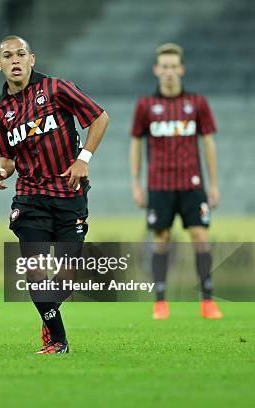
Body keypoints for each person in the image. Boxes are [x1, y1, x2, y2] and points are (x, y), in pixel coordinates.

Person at [0, 35, 108, 354]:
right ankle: (58, 340)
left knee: (65, 283)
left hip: (70, 194)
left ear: (32, 59)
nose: (15, 60)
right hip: (30, 198)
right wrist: (2, 172)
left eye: (20, 54)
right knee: (35, 271)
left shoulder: (56, 89)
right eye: (8, 56)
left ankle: (49, 316)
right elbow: (8, 158)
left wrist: (83, 159)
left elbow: (99, 118)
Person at [130, 43, 222, 320]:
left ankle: (207, 300)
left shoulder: (197, 103)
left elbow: (208, 144)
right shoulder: (146, 106)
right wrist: (136, 182)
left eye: (173, 66)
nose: (169, 72)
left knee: (200, 237)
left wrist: (213, 184)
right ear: (156, 70)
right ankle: (160, 301)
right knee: (161, 239)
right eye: (164, 67)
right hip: (159, 185)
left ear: (181, 69)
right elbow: (136, 143)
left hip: (192, 184)